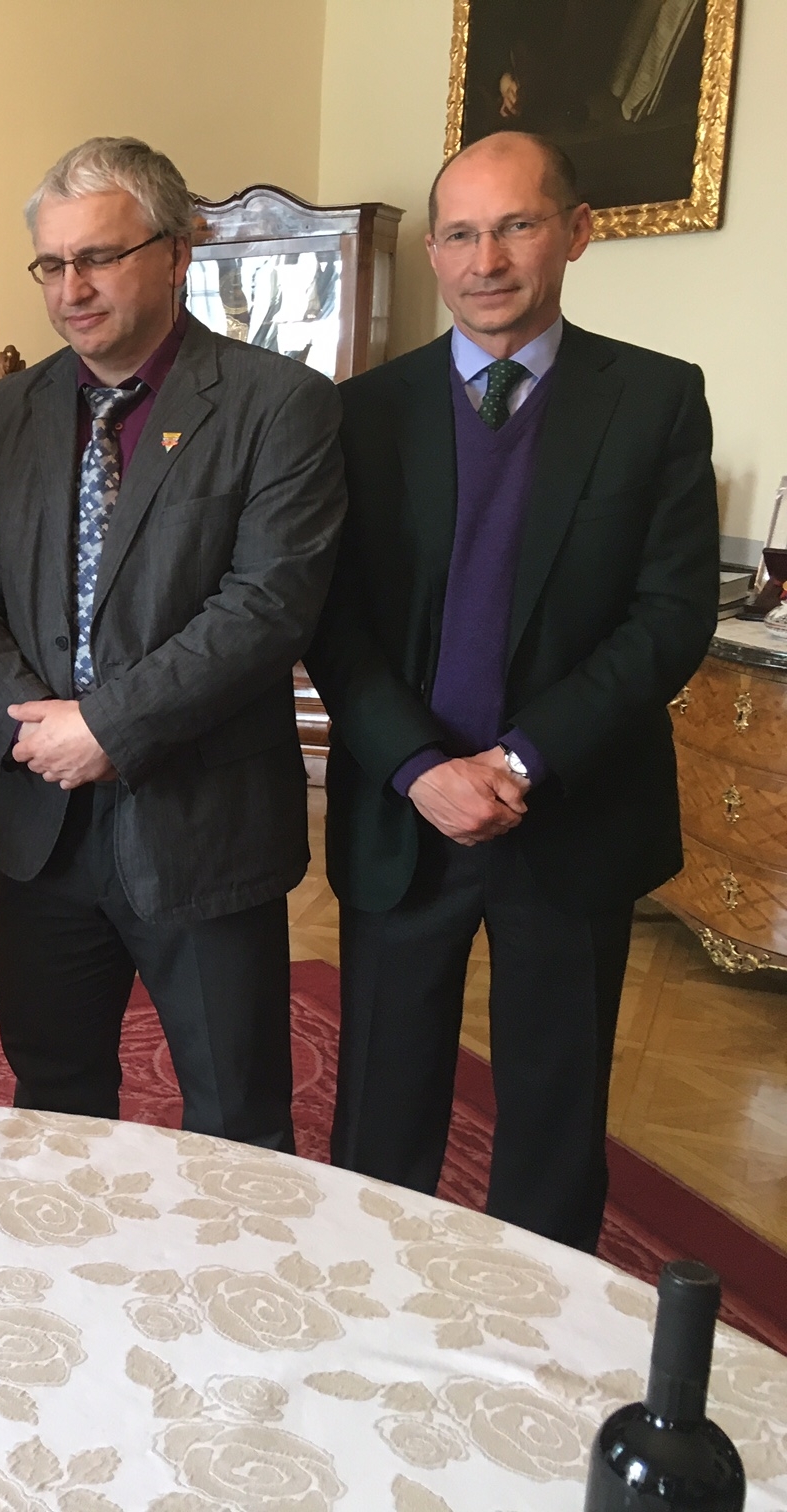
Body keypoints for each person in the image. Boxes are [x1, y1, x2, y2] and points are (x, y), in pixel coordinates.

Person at [305, 131, 717, 1250]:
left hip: (571, 812)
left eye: (516, 226)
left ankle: (543, 1317)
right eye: (461, 234)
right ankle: (367, 1289)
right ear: (433, 253)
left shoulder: (656, 400)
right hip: (406, 816)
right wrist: (420, 767)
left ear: (575, 233)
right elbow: (332, 620)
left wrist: (520, 760)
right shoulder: (362, 413)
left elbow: (669, 616)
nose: (486, 260)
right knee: (381, 1107)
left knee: (553, 1118)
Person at [0, 137, 346, 1149]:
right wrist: (35, 733)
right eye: (52, 263)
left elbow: (267, 606)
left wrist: (108, 727)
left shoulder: (278, 405)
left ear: (175, 253)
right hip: (41, 827)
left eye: (99, 258)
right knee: (55, 1102)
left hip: (201, 826)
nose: (72, 288)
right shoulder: (7, 411)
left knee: (237, 1117)